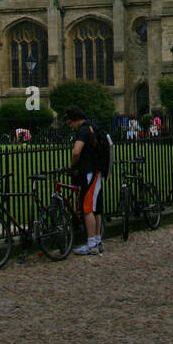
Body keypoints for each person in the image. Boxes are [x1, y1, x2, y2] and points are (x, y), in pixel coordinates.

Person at [64, 106, 105, 255]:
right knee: (96, 209)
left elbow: (76, 151)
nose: (70, 126)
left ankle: (91, 244)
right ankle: (98, 240)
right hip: (97, 171)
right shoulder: (92, 127)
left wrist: (73, 164)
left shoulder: (82, 130)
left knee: (87, 209)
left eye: (70, 123)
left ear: (75, 119)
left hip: (89, 173)